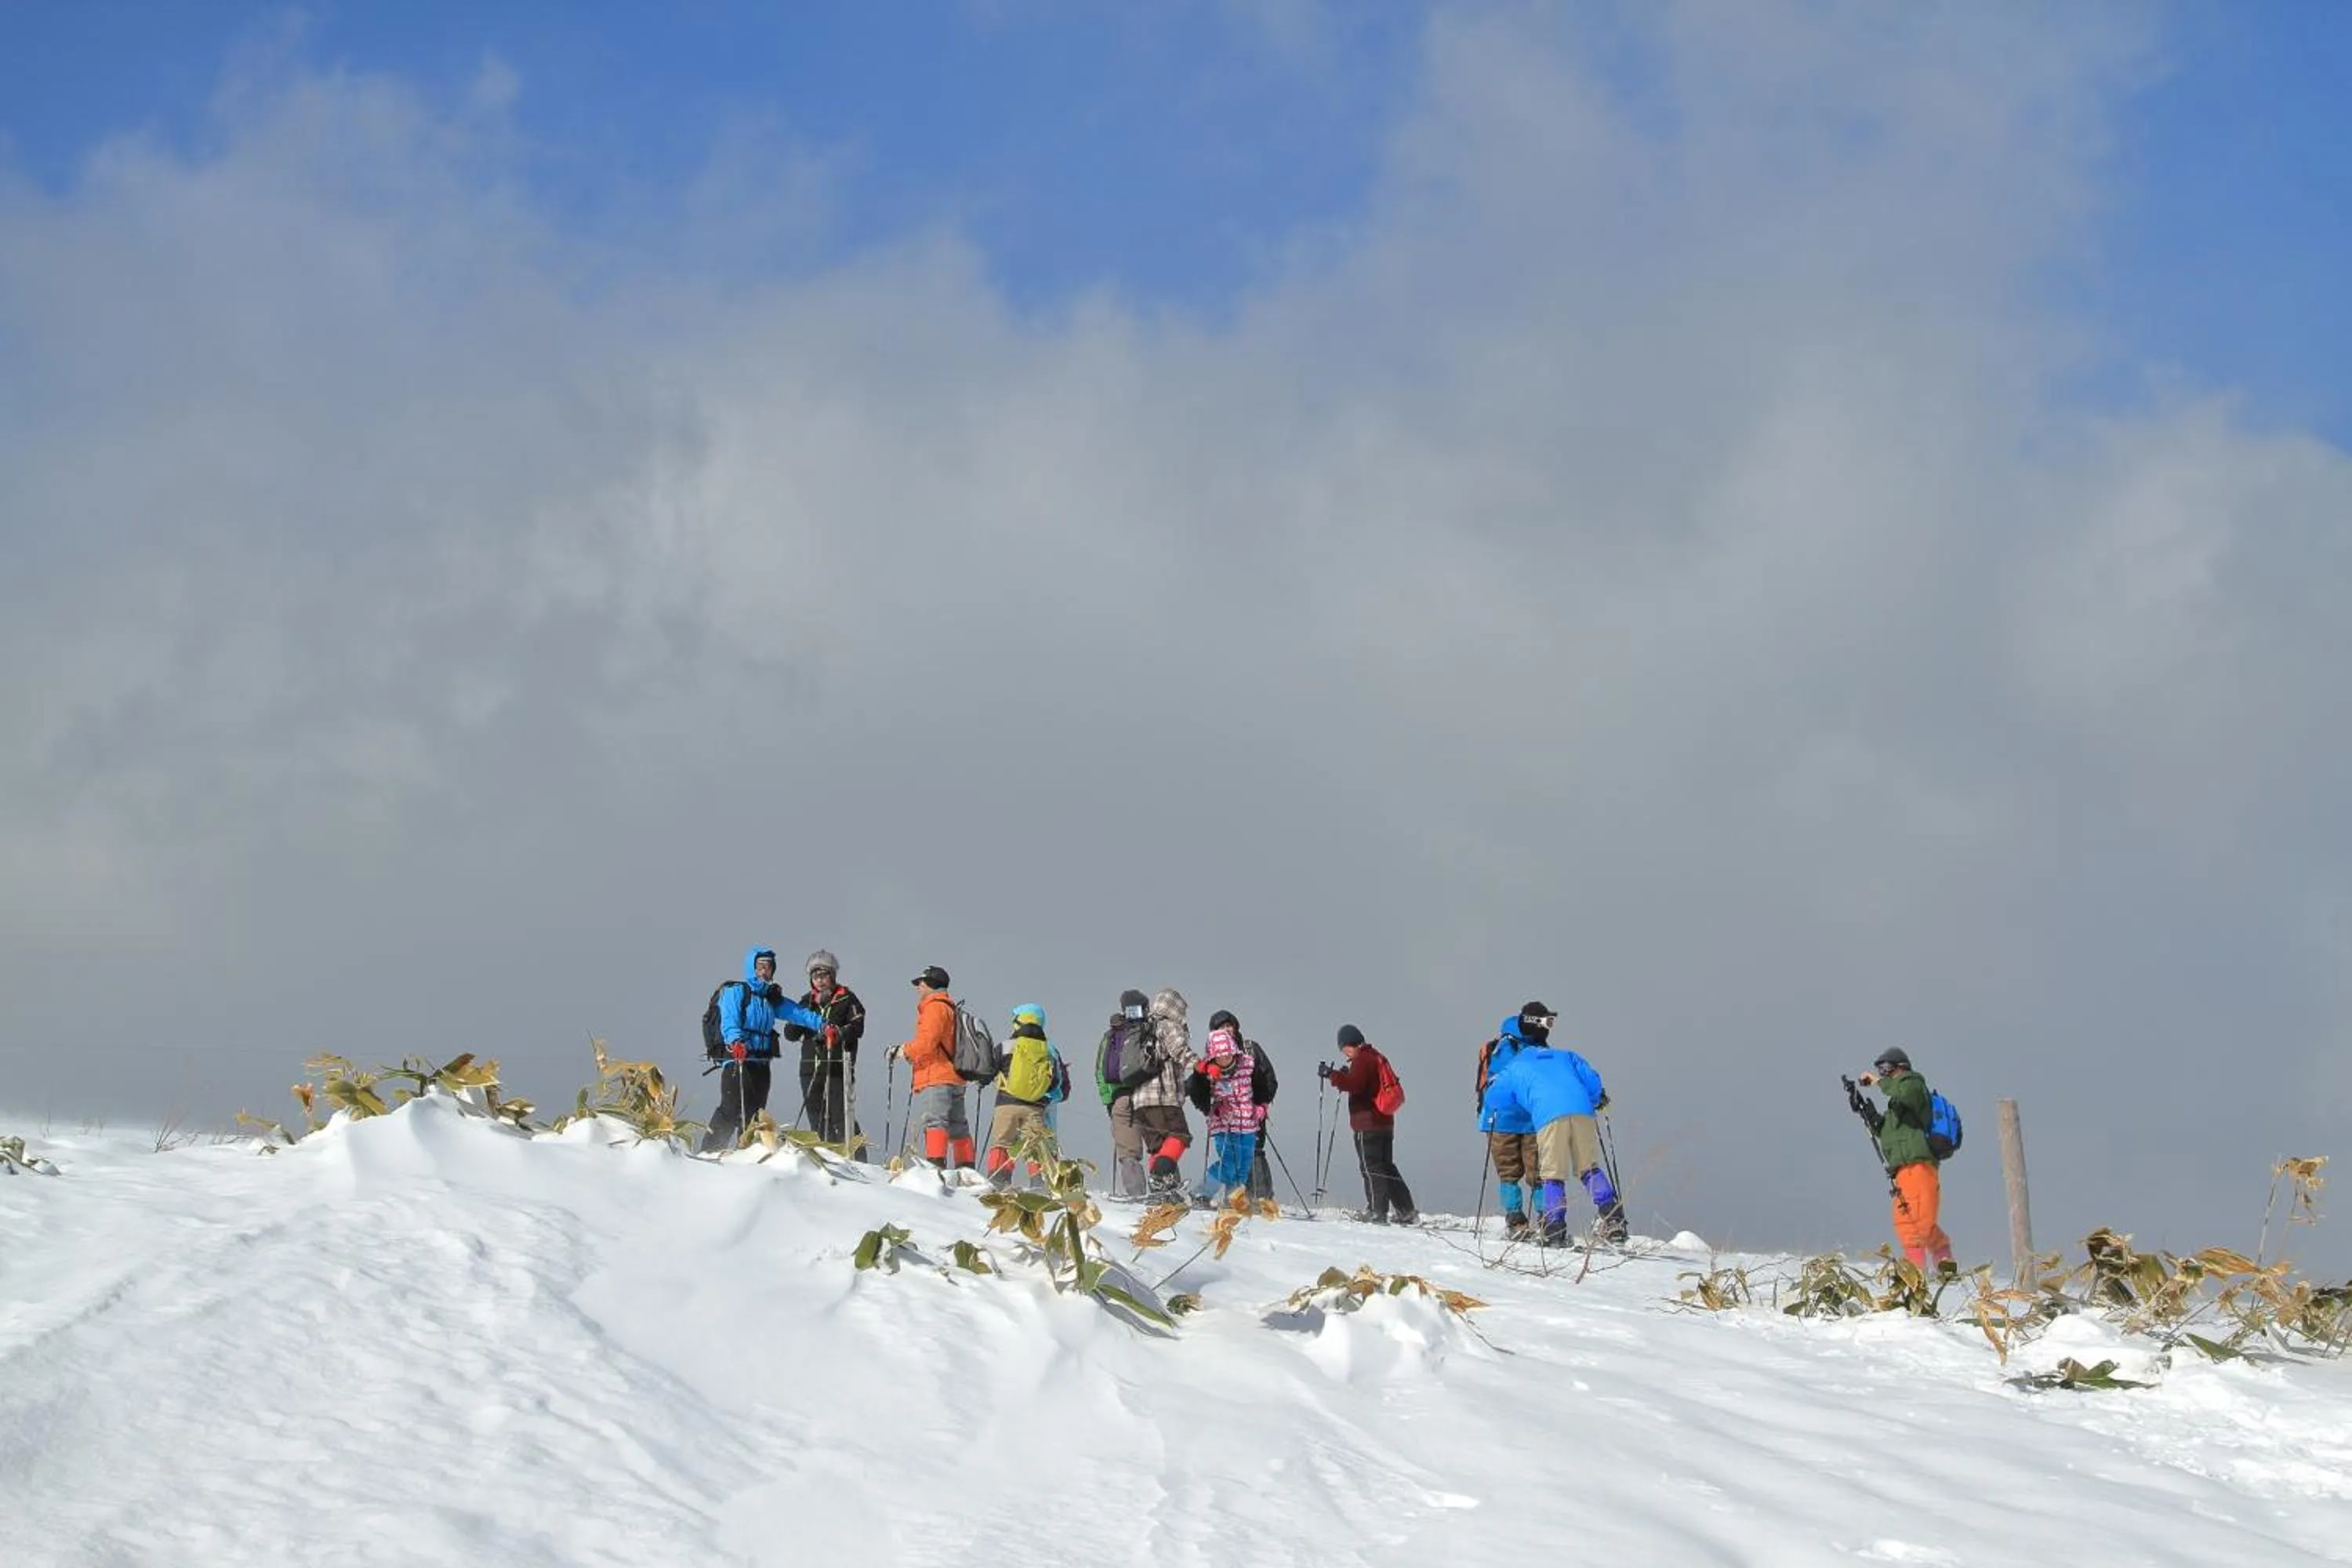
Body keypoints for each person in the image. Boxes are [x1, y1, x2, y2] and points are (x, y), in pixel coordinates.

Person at [1483, 1008, 1625, 1245]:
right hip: (1582, 1111)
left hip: (1549, 1115)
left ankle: (1554, 1227)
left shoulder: (1518, 1063)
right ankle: (1613, 1219)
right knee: (1588, 1168)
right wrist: (1596, 1098)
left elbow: (1495, 1097)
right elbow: (1592, 1080)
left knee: (1552, 1174)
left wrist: (1522, 1099)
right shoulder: (1566, 1055)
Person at [703, 947, 831, 1152]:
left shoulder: (770, 998)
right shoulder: (736, 992)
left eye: (769, 967)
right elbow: (729, 1020)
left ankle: (745, 1154)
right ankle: (709, 1152)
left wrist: (823, 1025)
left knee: (756, 1114)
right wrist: (736, 1041)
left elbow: (797, 1013)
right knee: (731, 1108)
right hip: (738, 1059)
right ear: (751, 968)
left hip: (761, 1063)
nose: (765, 971)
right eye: (760, 966)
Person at [1859, 1047, 1954, 1272]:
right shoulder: (1897, 1103)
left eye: (1885, 1068)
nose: (1883, 1074)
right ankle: (1947, 1275)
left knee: (1912, 1226)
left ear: (1901, 1067)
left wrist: (1876, 1083)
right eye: (1879, 1070)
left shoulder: (1913, 1084)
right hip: (1904, 1171)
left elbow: (1905, 1092)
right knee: (1923, 1226)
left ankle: (1916, 1282)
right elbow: (1892, 1136)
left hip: (1918, 1168)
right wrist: (1870, 1116)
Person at [1320, 1025, 1417, 1225]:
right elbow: (1360, 1082)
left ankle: (1377, 1211)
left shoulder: (1362, 1059)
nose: (1344, 1053)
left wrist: (1332, 1075)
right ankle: (1406, 1210)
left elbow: (1354, 1085)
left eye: (1343, 1048)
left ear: (1348, 1044)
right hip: (1385, 1121)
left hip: (1367, 1123)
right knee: (1386, 1167)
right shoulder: (1376, 1056)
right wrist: (1345, 1075)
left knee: (1371, 1167)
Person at [783, 949, 866, 1153]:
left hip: (838, 1065)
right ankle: (826, 1154)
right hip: (810, 1067)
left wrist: (838, 1033)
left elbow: (857, 1027)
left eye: (824, 976)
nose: (819, 981)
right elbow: (791, 1034)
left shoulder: (846, 998)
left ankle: (856, 1156)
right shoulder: (807, 1001)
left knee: (841, 1113)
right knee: (816, 1115)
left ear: (833, 976)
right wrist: (802, 1017)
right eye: (815, 976)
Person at [895, 965, 974, 1170]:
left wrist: (903, 1051)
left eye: (921, 983)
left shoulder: (934, 1007)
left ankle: (935, 1165)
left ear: (931, 984)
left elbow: (927, 1042)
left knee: (935, 1121)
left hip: (937, 1074)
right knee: (958, 1126)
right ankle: (966, 1168)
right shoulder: (949, 1007)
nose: (918, 987)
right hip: (954, 1075)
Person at [1476, 1007, 1544, 1240]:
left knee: (1508, 1172)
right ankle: (1547, 1218)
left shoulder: (1499, 1046)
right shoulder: (1533, 1048)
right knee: (1539, 1173)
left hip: (1499, 1118)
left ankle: (1515, 1218)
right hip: (1530, 1119)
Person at [1130, 987, 1198, 1200]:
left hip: (1140, 1101)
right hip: (1163, 1097)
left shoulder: (1142, 1028)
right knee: (1179, 1135)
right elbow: (1179, 1051)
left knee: (1157, 1147)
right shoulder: (1168, 1025)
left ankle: (1160, 1191)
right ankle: (1160, 1178)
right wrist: (1201, 1065)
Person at [1188, 1011, 1258, 1209]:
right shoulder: (1208, 1072)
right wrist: (1213, 1109)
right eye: (1220, 1056)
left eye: (1227, 1054)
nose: (1224, 1059)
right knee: (1228, 1163)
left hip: (1248, 1123)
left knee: (1243, 1166)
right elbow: (1194, 1090)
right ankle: (1201, 1194)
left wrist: (1261, 1107)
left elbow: (1261, 1086)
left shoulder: (1248, 1064)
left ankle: (1232, 1200)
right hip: (1224, 1125)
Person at [982, 1004, 1057, 1187]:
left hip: (1007, 1103)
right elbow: (1054, 1082)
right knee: (1035, 1145)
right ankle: (1038, 1184)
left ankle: (998, 1181)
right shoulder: (1048, 1050)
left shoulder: (1006, 1046)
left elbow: (988, 1071)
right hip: (1036, 1106)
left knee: (1003, 1143)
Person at [1094, 989, 1152, 1198]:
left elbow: (1101, 1071)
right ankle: (1164, 1191)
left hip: (1121, 1098)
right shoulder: (1151, 1030)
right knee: (1160, 1146)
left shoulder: (1111, 1035)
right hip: (1150, 1096)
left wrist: (1110, 1102)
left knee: (1128, 1152)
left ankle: (1136, 1194)